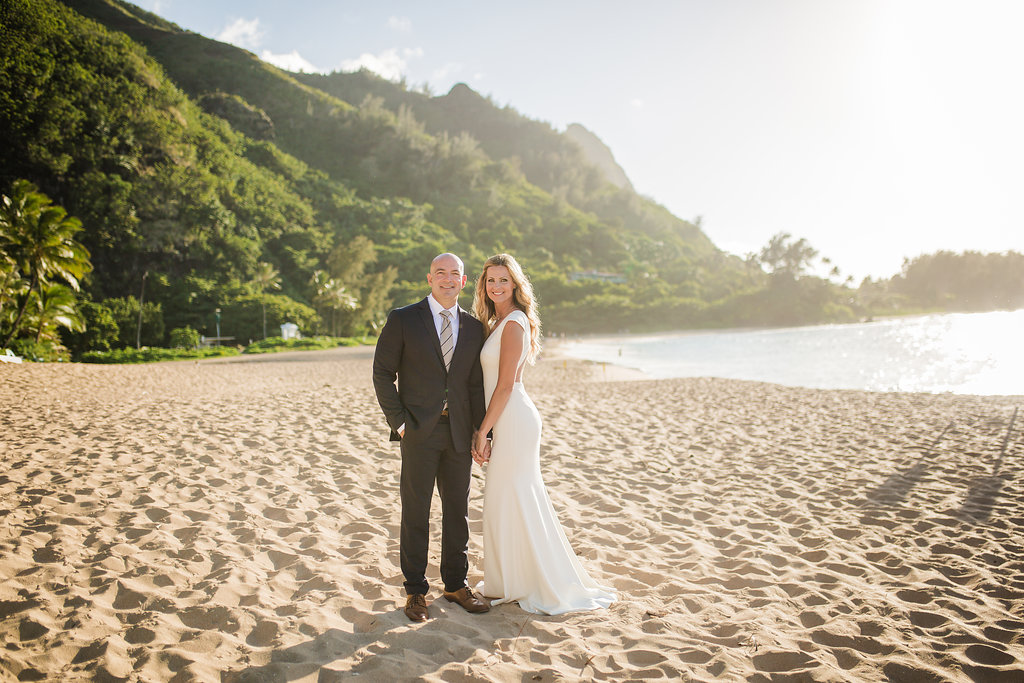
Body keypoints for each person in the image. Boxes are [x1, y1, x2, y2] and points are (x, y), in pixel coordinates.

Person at [471, 253, 616, 615]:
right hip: (506, 416)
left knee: (514, 495)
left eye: (504, 280)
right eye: (491, 280)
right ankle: (508, 579)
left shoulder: (515, 323)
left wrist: (483, 431)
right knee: (507, 498)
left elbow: (504, 386)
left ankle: (529, 581)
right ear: (484, 285)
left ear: (516, 284)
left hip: (513, 418)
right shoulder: (498, 320)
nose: (496, 286)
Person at [373, 252, 491, 622]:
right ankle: (415, 592)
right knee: (416, 512)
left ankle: (456, 584)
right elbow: (382, 374)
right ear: (429, 278)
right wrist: (401, 424)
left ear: (464, 280)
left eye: (454, 273)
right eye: (440, 272)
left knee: (458, 510)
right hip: (418, 432)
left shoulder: (474, 328)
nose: (447, 278)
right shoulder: (404, 319)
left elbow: (474, 385)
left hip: (459, 432)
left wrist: (481, 430)